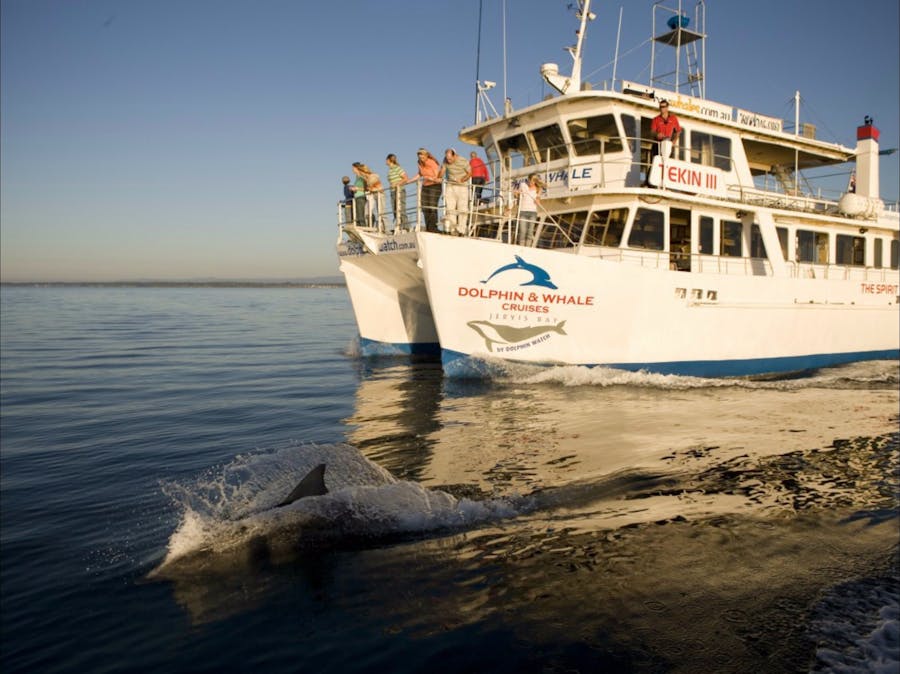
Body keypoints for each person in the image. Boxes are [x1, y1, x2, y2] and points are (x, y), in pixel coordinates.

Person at [645, 99, 681, 186]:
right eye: (660, 107)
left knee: (668, 164)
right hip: (658, 143)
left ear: (667, 108)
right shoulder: (656, 119)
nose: (662, 109)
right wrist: (657, 134)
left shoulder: (673, 118)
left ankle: (666, 184)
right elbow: (652, 131)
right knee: (655, 162)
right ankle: (650, 183)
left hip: (668, 144)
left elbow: (678, 131)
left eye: (664, 107)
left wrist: (674, 141)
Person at [407, 148, 442, 232]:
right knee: (424, 207)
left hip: (434, 185)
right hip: (425, 186)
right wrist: (409, 181)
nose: (421, 157)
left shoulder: (431, 162)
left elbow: (437, 175)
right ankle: (428, 227)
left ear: (426, 155)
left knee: (432, 207)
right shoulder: (419, 163)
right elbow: (420, 174)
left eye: (422, 155)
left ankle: (433, 228)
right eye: (419, 155)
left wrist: (431, 178)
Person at [439, 148, 471, 235]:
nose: (448, 160)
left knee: (462, 208)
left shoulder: (463, 161)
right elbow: (442, 171)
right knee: (450, 208)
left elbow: (469, 173)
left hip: (462, 186)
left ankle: (461, 230)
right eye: (447, 158)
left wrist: (462, 180)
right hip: (450, 185)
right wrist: (439, 175)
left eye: (450, 159)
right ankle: (451, 229)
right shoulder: (445, 160)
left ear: (454, 156)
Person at [355, 163, 385, 230]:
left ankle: (384, 228)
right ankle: (372, 226)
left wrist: (370, 189)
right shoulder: (367, 178)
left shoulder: (372, 176)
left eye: (360, 172)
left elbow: (380, 188)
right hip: (373, 195)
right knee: (367, 212)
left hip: (379, 194)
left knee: (381, 213)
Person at [516, 173, 542, 246]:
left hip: (533, 212)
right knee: (522, 231)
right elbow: (517, 193)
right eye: (531, 181)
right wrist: (516, 193)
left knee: (530, 232)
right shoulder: (523, 185)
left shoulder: (538, 189)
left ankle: (528, 248)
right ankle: (521, 247)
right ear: (528, 179)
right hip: (523, 211)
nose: (532, 183)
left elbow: (538, 199)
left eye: (534, 182)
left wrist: (537, 199)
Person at [385, 154, 409, 230]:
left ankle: (406, 227)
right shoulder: (390, 170)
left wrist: (396, 184)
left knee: (401, 209)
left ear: (389, 160)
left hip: (399, 191)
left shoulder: (397, 168)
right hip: (392, 192)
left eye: (386, 160)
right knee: (394, 210)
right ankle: (399, 226)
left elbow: (405, 178)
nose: (385, 161)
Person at [350, 163, 368, 228]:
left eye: (353, 168)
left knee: (361, 215)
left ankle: (364, 228)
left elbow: (367, 188)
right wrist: (353, 189)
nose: (352, 169)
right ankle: (360, 228)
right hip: (356, 197)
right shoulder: (357, 178)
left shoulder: (362, 177)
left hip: (361, 197)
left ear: (357, 168)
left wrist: (357, 188)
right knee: (357, 216)